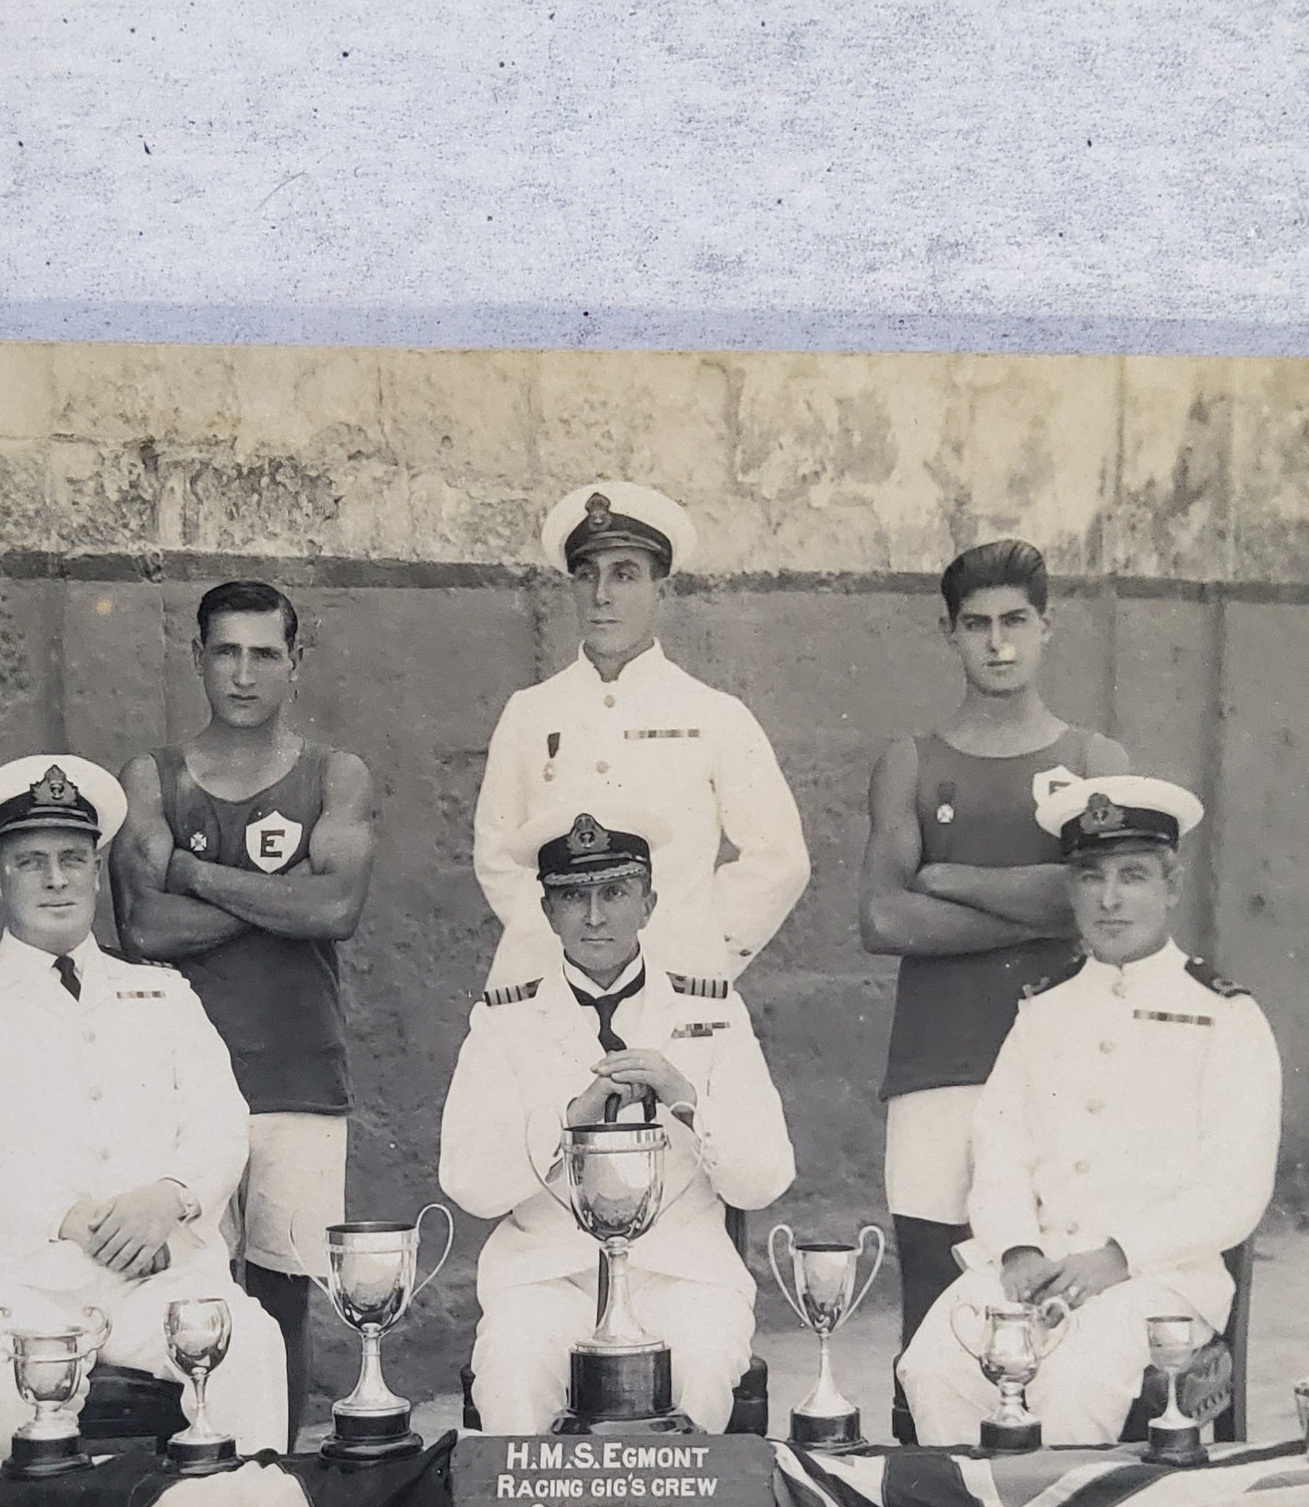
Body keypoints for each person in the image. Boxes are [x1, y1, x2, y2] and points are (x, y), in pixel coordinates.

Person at [0, 756, 287, 1462]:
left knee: (249, 1345)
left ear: (98, 873)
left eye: (73, 859)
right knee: (16, 1411)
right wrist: (72, 1219)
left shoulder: (164, 996)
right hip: (23, 1284)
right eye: (30, 862)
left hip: (159, 1274)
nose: (56, 879)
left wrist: (170, 1197)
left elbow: (220, 1123)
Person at [898, 778, 1281, 1449]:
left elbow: (1235, 1189)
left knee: (1075, 1381)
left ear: (1171, 887)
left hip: (1159, 1280)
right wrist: (1017, 1249)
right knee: (932, 1367)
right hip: (1034, 1266)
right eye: (1090, 877)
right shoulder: (1044, 1010)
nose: (1109, 899)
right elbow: (1000, 1147)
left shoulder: (1224, 1016)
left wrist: (1119, 1256)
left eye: (1133, 876)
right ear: (1070, 890)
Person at [858, 539, 1130, 1410]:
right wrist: (1042, 901)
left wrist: (952, 878)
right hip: (940, 1063)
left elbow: (1096, 904)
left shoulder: (1097, 760)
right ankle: (923, 1492)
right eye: (977, 625)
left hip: (1064, 1070)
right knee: (931, 1312)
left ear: (1048, 627)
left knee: (1060, 1305)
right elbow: (883, 918)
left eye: (1016, 621)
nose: (999, 643)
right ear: (950, 634)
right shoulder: (911, 760)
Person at [112, 579, 377, 1437]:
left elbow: (335, 910)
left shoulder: (334, 775)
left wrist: (194, 874)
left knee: (284, 1295)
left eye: (265, 654)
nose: (243, 673)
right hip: (181, 1087)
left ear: (295, 663)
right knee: (188, 1288)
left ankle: (278, 1471)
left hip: (298, 1072)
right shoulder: (152, 778)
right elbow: (145, 927)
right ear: (197, 658)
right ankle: (202, 1471)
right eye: (225, 651)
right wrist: (279, 897)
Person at [439, 814, 796, 1435]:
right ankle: (538, 1505)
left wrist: (684, 1098)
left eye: (615, 893)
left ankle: (675, 1504)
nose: (595, 916)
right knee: (513, 1366)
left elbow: (764, 1179)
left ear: (648, 904)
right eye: (572, 897)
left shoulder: (713, 1013)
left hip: (679, 1270)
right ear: (548, 912)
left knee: (703, 1359)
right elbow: (469, 1183)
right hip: (549, 1273)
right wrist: (567, 1120)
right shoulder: (503, 1024)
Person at [471, 481, 809, 991]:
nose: (602, 595)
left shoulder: (715, 715)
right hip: (550, 983)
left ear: (661, 591)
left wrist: (701, 951)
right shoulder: (529, 713)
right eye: (587, 575)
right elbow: (497, 855)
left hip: (675, 982)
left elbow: (778, 857)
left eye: (624, 575)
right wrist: (561, 945)